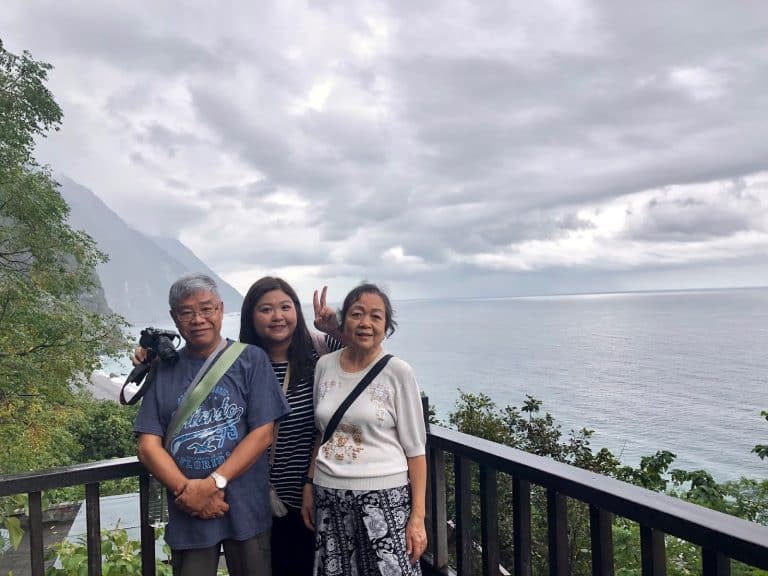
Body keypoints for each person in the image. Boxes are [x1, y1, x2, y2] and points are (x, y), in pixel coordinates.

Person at [133, 272, 290, 576]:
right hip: (188, 510)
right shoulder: (163, 369)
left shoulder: (250, 360)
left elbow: (262, 434)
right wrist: (190, 492)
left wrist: (212, 484)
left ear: (220, 309)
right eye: (186, 312)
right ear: (174, 318)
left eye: (206, 309)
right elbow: (147, 446)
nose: (198, 319)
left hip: (244, 505)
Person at [302, 283, 428, 576]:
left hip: (385, 497)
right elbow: (322, 433)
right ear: (344, 321)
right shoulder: (325, 366)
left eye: (376, 316)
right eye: (357, 314)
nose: (366, 323)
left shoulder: (398, 372)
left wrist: (417, 518)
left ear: (386, 326)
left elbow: (416, 451)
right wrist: (309, 484)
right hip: (329, 494)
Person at [239, 276, 343, 575]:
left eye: (285, 307)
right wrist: (152, 359)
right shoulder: (239, 364)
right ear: (251, 317)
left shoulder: (321, 351)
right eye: (266, 309)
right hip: (257, 499)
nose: (278, 316)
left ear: (297, 310)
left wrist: (334, 327)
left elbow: (370, 353)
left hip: (315, 495)